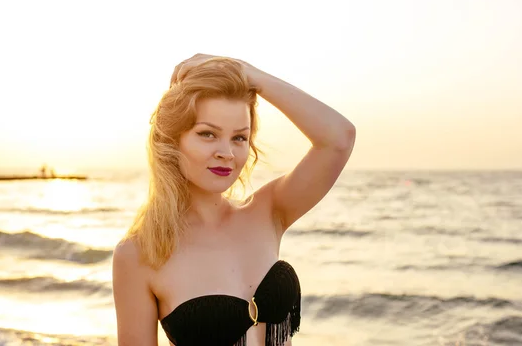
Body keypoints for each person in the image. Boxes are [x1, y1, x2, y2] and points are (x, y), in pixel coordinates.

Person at [112, 54, 355, 346]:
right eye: (207, 134)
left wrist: (252, 75)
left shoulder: (269, 212)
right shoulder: (140, 252)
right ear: (171, 140)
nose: (226, 152)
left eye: (239, 137)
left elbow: (339, 138)